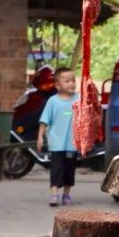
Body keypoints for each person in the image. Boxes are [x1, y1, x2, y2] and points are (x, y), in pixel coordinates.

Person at [37, 68, 79, 207]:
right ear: (58, 85)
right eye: (67, 81)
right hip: (56, 143)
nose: (71, 83)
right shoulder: (52, 101)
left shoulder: (79, 99)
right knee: (56, 169)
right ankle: (54, 195)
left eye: (73, 80)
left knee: (69, 170)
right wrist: (40, 137)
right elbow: (44, 120)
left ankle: (66, 195)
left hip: (72, 143)